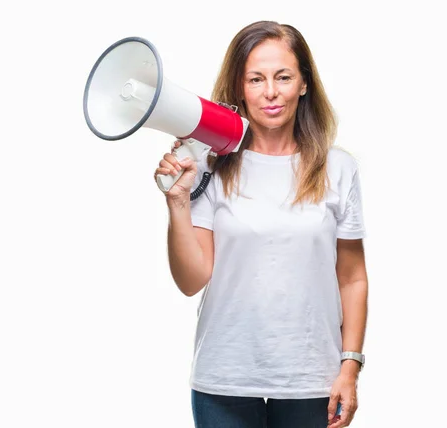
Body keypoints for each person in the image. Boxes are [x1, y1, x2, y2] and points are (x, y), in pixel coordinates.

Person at [154, 21, 368, 428]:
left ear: (304, 83)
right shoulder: (210, 165)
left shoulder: (338, 168)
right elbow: (191, 280)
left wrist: (349, 367)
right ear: (240, 87)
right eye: (256, 79)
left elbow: (353, 278)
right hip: (225, 379)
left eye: (283, 77)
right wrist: (178, 203)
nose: (271, 92)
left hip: (312, 380)